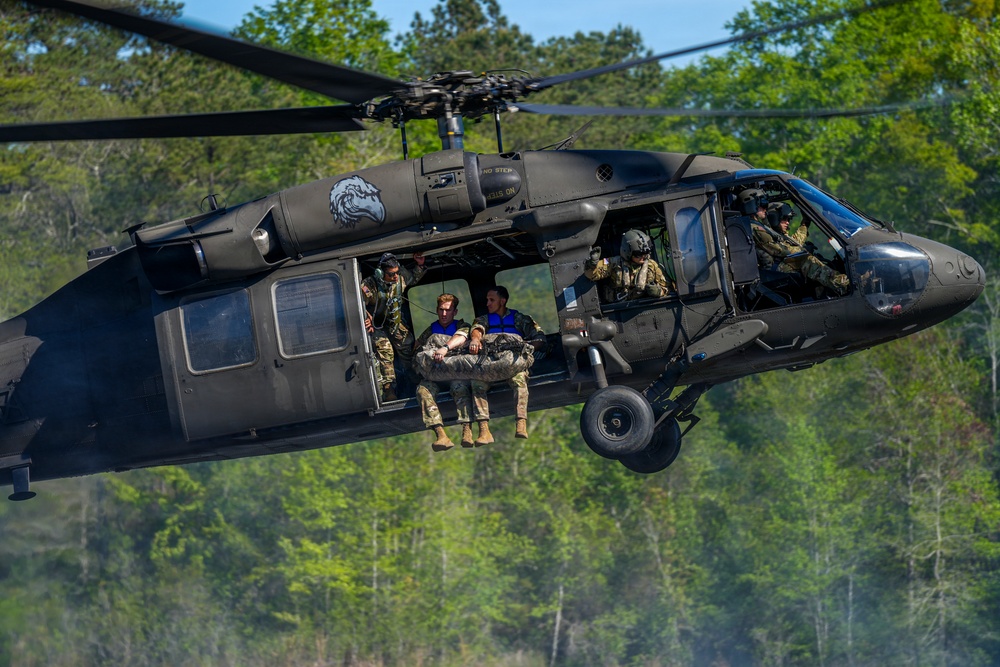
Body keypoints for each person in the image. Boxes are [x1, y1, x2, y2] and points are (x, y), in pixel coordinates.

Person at [467, 286, 546, 444]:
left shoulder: (520, 319)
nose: (488, 303)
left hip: (513, 363)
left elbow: (539, 337)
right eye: (487, 300)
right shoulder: (485, 319)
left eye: (492, 300)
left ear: (502, 301)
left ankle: (521, 423)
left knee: (520, 380)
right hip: (491, 365)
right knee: (476, 384)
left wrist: (529, 347)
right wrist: (475, 339)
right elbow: (477, 329)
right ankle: (484, 430)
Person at [748, 194, 849, 296]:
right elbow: (780, 250)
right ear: (775, 217)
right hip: (774, 269)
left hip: (781, 264)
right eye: (784, 218)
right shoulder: (759, 230)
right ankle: (844, 284)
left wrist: (805, 222)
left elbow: (794, 242)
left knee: (816, 262)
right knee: (807, 260)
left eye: (789, 219)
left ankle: (828, 293)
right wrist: (802, 250)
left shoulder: (776, 233)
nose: (787, 222)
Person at [412, 293, 473, 451]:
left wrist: (445, 348)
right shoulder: (431, 329)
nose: (444, 314)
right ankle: (441, 434)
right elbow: (418, 346)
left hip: (455, 373)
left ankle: (467, 430)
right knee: (422, 391)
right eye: (441, 310)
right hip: (435, 375)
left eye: (448, 310)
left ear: (455, 312)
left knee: (460, 387)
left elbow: (462, 337)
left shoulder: (463, 326)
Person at [361, 251, 426, 401]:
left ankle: (419, 382)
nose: (395, 277)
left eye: (396, 273)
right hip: (377, 327)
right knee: (386, 352)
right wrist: (367, 315)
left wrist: (420, 265)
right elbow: (356, 304)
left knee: (408, 348)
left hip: (395, 323)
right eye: (391, 274)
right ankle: (389, 390)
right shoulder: (369, 285)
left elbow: (413, 278)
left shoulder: (400, 279)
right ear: (380, 273)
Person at [584, 229, 675, 301]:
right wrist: (592, 264)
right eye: (638, 254)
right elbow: (591, 275)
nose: (643, 257)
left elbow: (668, 288)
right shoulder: (612, 262)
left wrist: (658, 292)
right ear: (627, 252)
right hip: (618, 306)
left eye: (646, 253)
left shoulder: (652, 265)